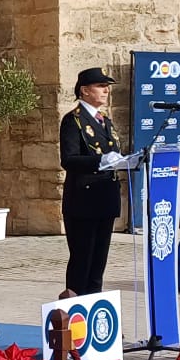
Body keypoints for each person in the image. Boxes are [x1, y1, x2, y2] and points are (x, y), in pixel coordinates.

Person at [60, 67, 125, 295]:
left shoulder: (105, 121)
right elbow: (68, 159)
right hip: (83, 201)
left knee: (98, 264)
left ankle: (95, 315)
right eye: (100, 86)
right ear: (85, 91)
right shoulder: (73, 121)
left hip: (105, 199)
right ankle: (75, 315)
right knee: (82, 261)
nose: (106, 90)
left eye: (106, 86)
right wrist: (100, 160)